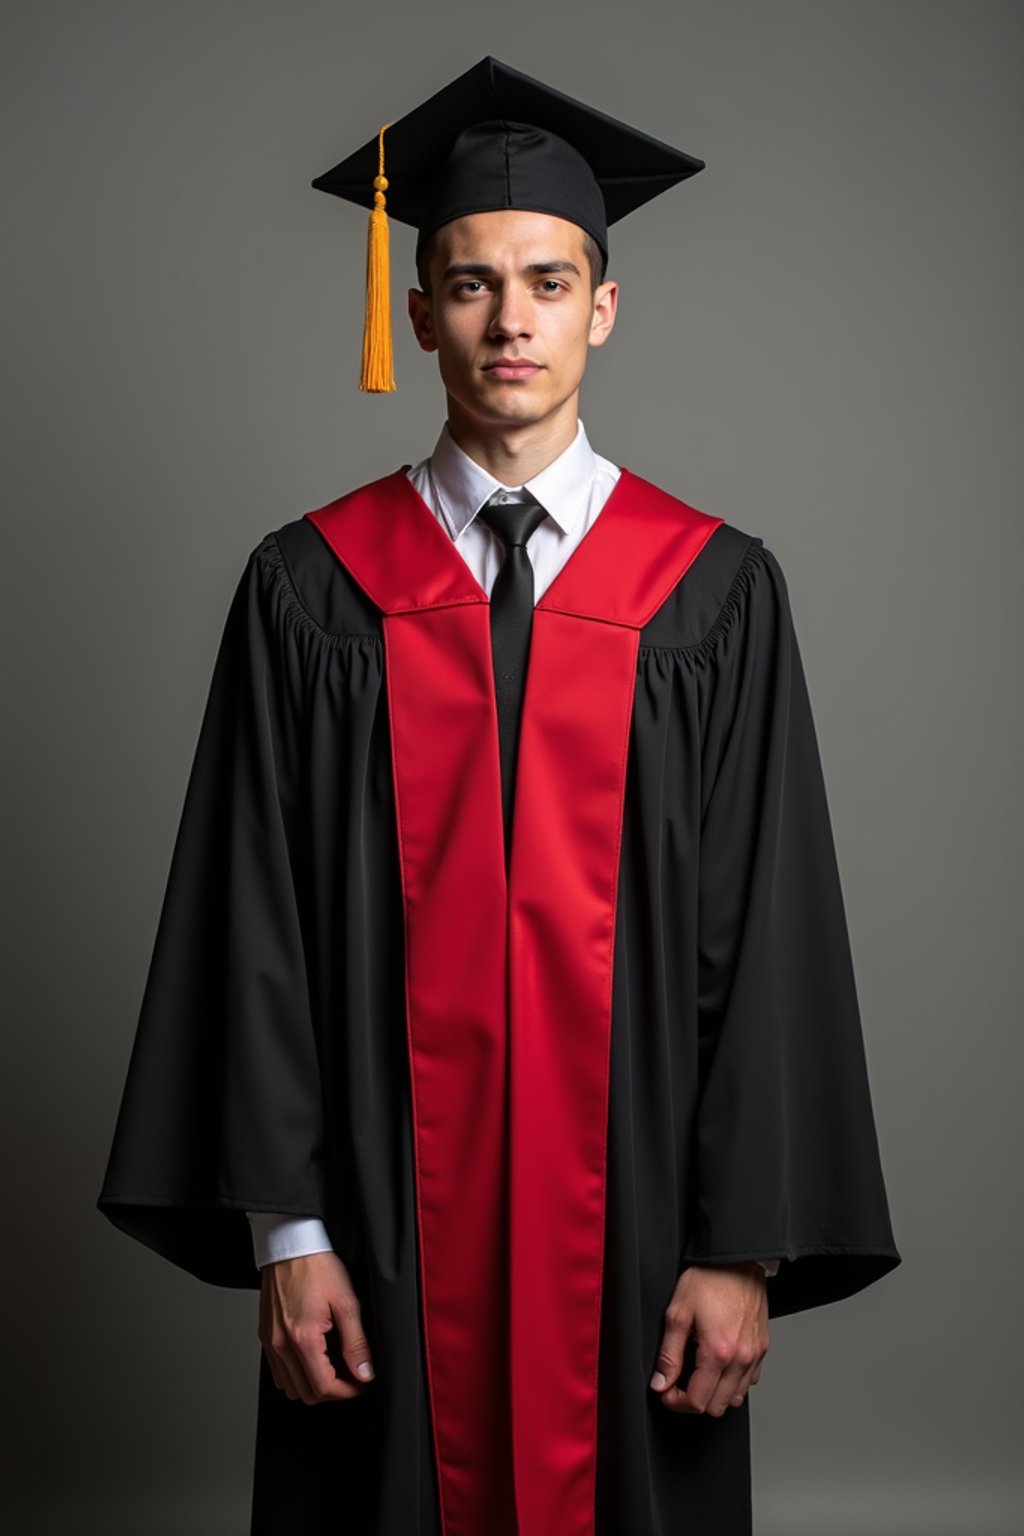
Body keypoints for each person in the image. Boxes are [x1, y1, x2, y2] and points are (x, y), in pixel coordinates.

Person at [97, 54, 901, 1536]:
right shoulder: (310, 590)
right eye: (469, 283)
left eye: (547, 279)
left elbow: (764, 936)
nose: (509, 318)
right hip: (383, 1239)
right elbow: (253, 929)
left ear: (604, 308)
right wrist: (291, 1232)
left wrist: (743, 1252)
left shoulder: (714, 595)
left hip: (645, 1229)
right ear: (418, 317)